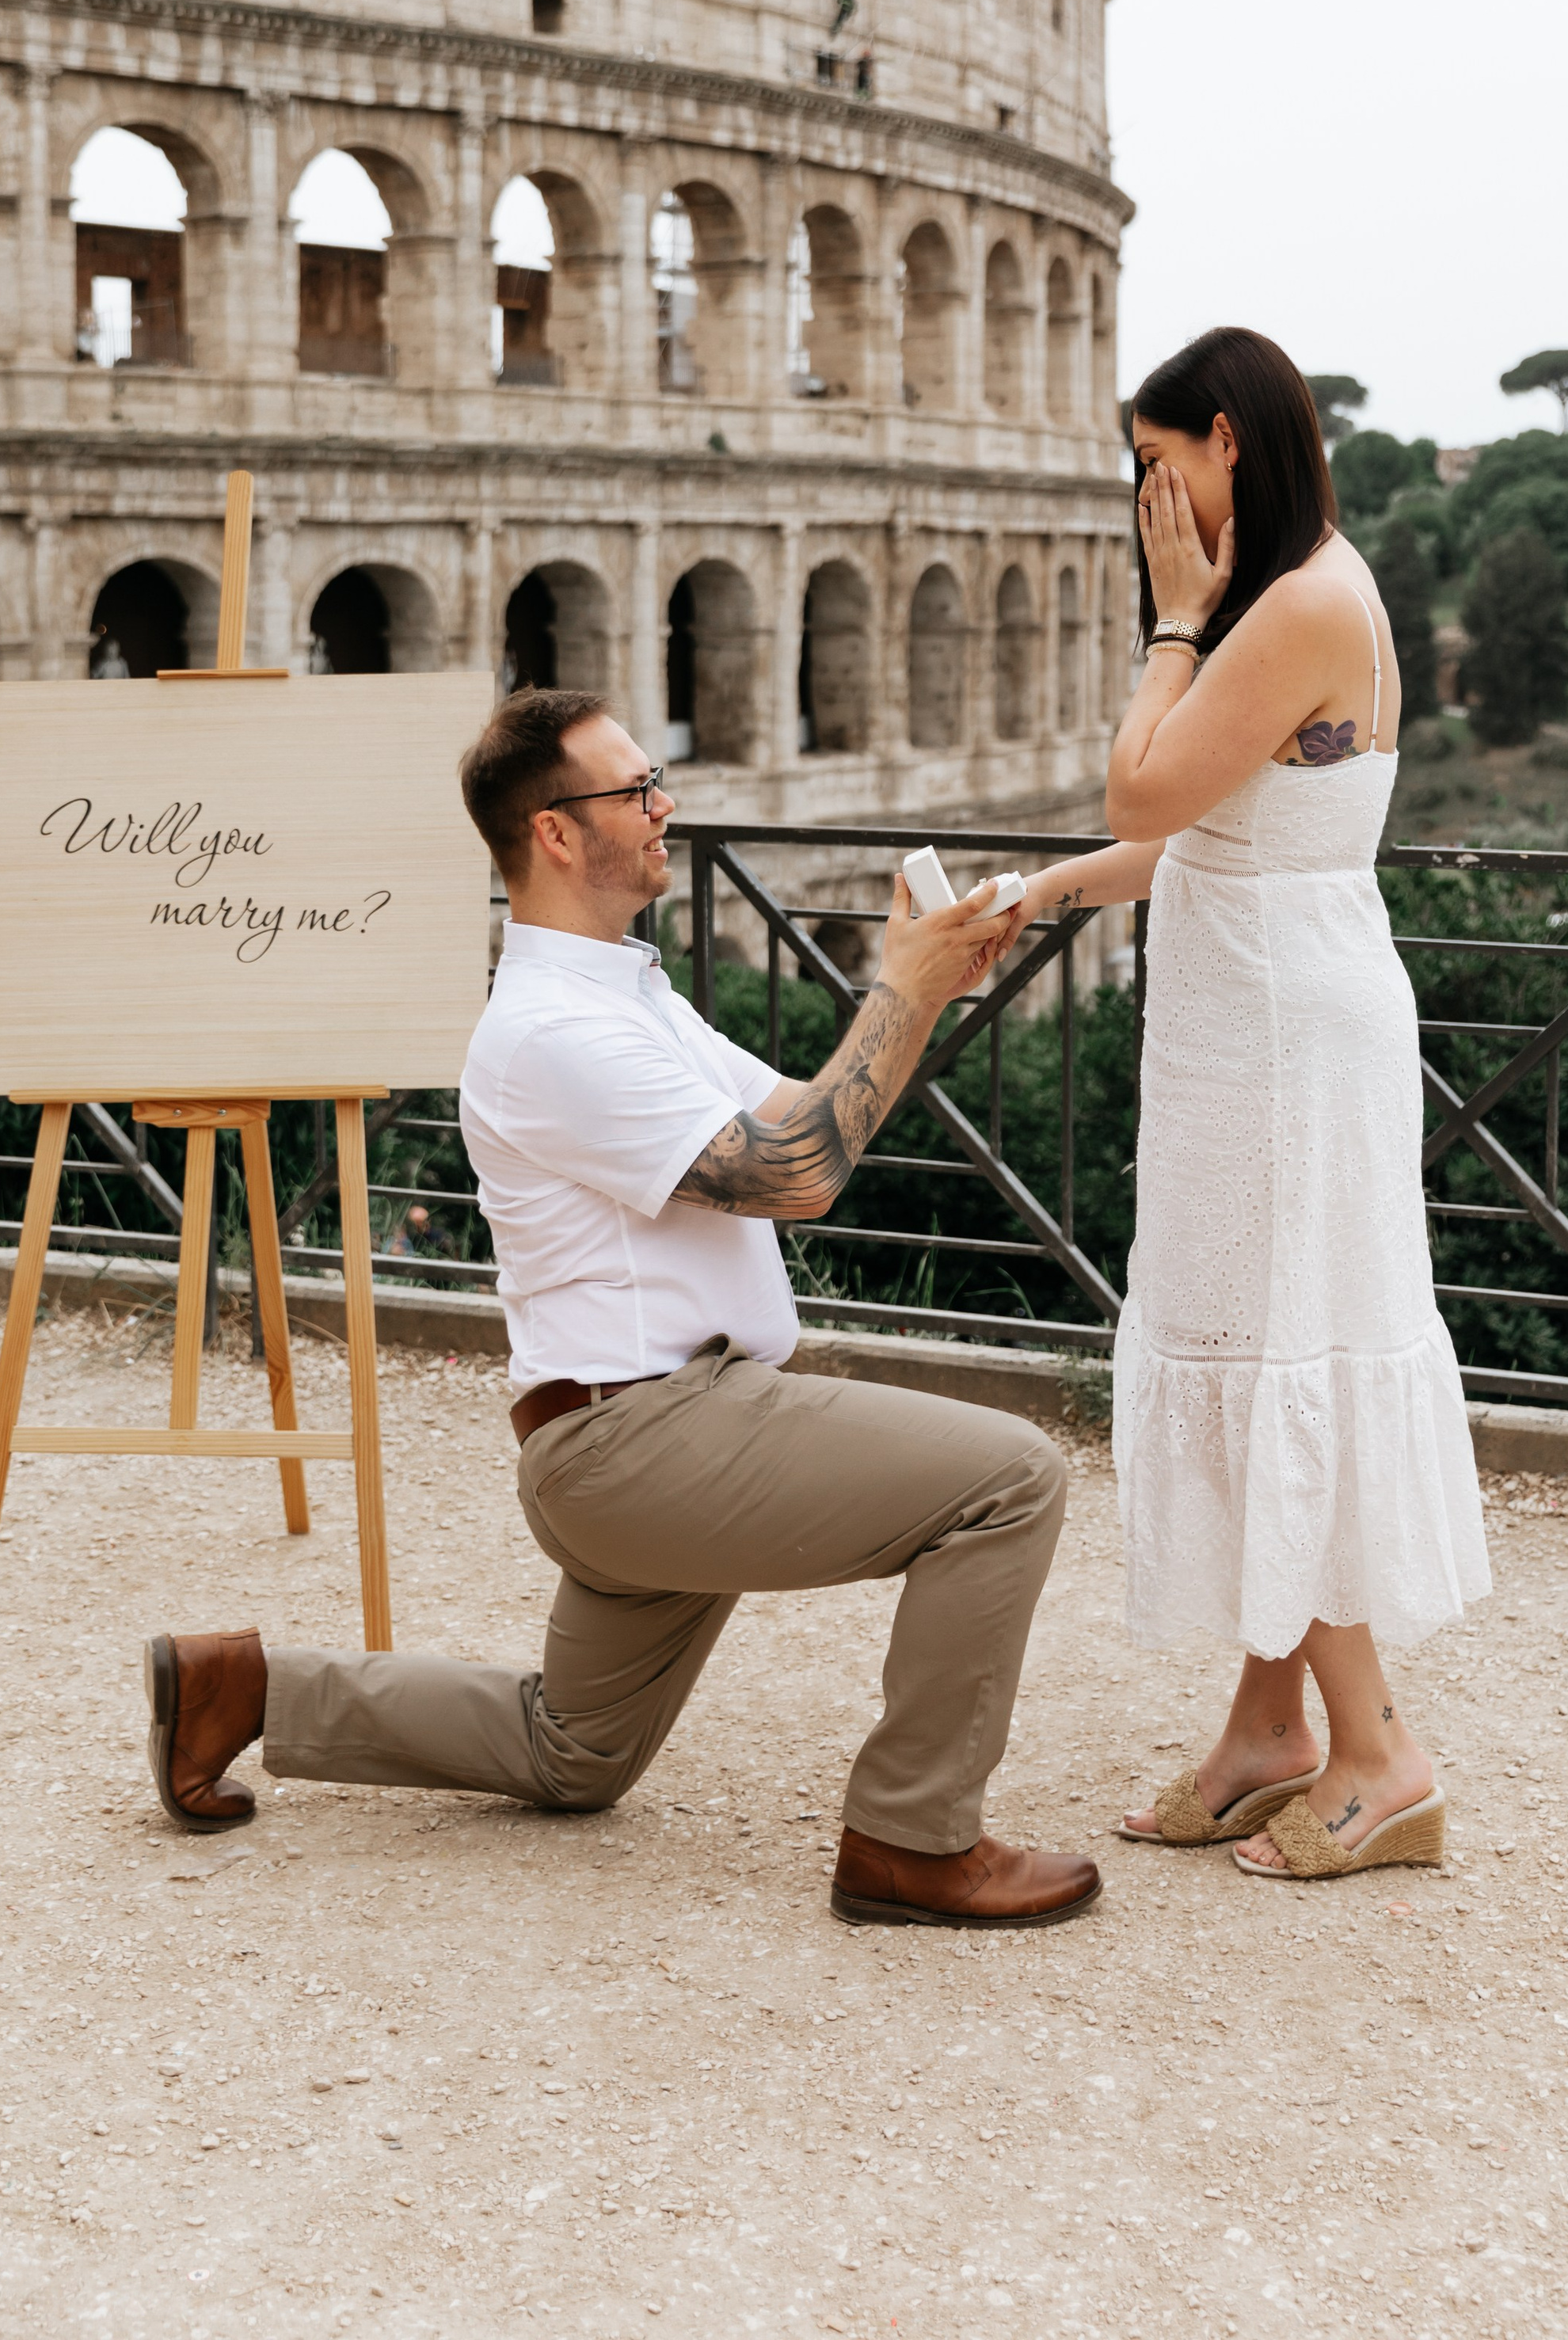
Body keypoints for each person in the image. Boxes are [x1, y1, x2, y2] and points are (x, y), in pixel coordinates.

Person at [143, 690, 1101, 1931]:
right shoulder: (549, 1030)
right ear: (551, 832)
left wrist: (919, 989)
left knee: (573, 1756)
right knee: (1014, 1479)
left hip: (623, 1439)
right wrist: (901, 994)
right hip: (652, 1437)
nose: (666, 806)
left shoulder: (622, 998)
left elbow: (801, 1120)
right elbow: (797, 1176)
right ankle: (913, 1840)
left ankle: (247, 1688)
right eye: (636, 790)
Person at [1009, 327, 1490, 1879]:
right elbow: (1194, 835)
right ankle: (1266, 1731)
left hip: (1280, 1035)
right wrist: (1030, 905)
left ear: (1224, 441)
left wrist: (1167, 628)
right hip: (1264, 1019)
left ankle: (1375, 1755)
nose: (1148, 499)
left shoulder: (1283, 608)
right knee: (1248, 1342)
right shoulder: (1300, 594)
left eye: (1157, 466)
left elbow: (1140, 791)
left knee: (1282, 1351)